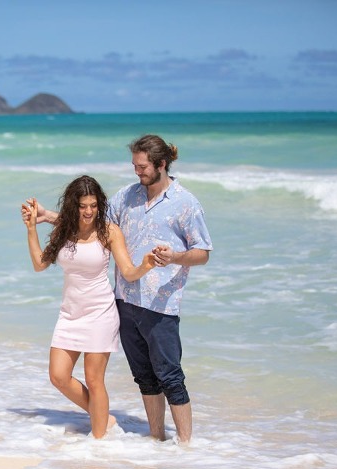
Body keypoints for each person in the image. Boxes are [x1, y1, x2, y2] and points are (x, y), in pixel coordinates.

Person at [24, 135, 213, 444]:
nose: (137, 172)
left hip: (161, 303)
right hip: (125, 300)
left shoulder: (185, 203)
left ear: (161, 164)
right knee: (145, 378)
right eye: (135, 166)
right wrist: (47, 218)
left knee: (170, 376)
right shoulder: (127, 197)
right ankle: (156, 440)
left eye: (142, 167)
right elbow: (89, 225)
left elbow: (203, 252)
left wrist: (174, 258)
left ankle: (186, 448)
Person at [22, 175, 156, 439]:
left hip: (100, 314)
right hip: (70, 314)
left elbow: (128, 272)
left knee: (95, 381)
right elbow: (39, 264)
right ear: (74, 205)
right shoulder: (65, 231)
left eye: (93, 205)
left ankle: (98, 445)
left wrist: (145, 266)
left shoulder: (108, 232)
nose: (89, 211)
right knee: (58, 376)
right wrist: (31, 229)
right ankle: (103, 418)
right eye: (83, 206)